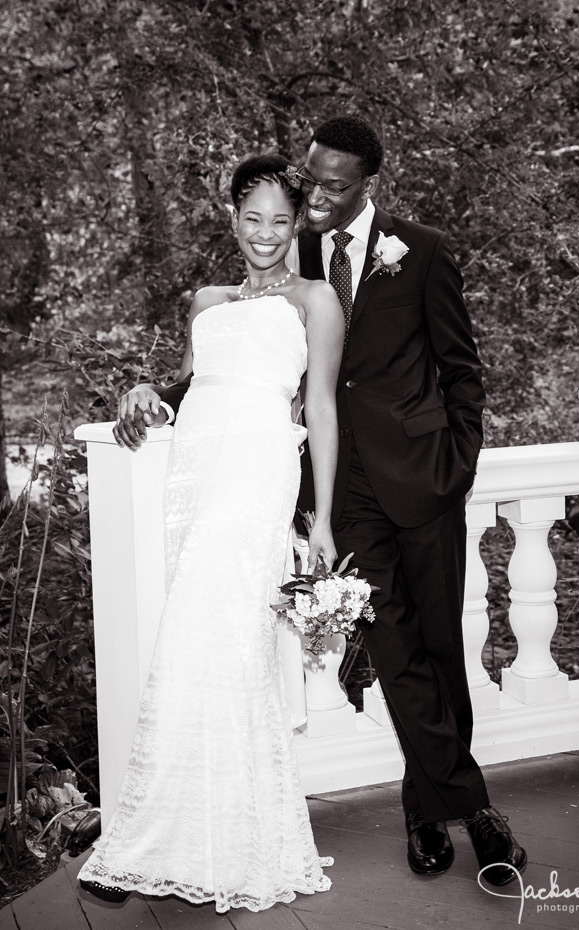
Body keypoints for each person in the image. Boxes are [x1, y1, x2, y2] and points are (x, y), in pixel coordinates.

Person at [116, 117, 527, 889]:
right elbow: (236, 355)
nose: (316, 201)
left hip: (424, 477)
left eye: (335, 187)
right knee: (400, 653)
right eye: (314, 181)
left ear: (368, 182)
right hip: (342, 491)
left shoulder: (423, 249)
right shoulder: (289, 251)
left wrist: (456, 464)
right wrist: (158, 392)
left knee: (441, 647)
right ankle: (462, 814)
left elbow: (461, 369)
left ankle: (433, 799)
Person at [78, 154, 344, 912]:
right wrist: (145, 390)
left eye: (281, 221)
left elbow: (320, 407)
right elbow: (191, 381)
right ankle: (184, 834)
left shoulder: (315, 301)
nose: (265, 234)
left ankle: (190, 842)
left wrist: (322, 518)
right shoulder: (206, 299)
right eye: (252, 218)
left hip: (257, 475)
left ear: (297, 227)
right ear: (232, 218)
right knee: (199, 642)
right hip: (193, 474)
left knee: (219, 637)